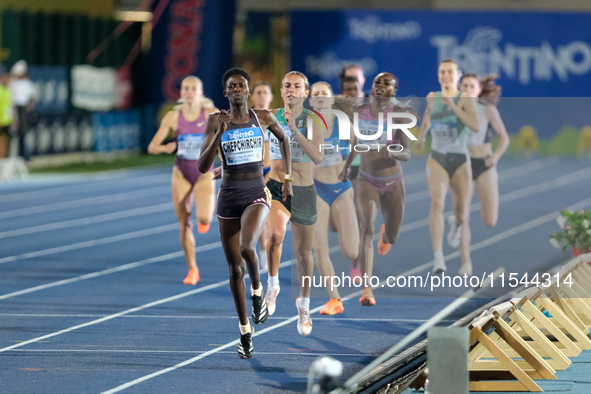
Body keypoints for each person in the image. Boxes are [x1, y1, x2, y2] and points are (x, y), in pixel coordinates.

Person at [198, 68, 292, 359]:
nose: (237, 89)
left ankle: (257, 292)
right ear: (225, 92)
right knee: (234, 269)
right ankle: (244, 332)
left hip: (255, 192)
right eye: (231, 86)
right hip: (227, 196)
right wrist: (219, 136)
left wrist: (287, 179)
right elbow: (202, 166)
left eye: (241, 85)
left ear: (248, 91)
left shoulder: (261, 117)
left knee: (248, 247)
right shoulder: (216, 121)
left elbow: (284, 141)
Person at [339, 72, 412, 306]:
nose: (379, 86)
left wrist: (394, 152)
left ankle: (387, 236)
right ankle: (367, 289)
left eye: (386, 84)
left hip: (392, 180)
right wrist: (346, 166)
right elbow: (356, 144)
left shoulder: (399, 115)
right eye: (376, 83)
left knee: (392, 235)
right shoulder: (360, 111)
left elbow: (407, 153)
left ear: (394, 91)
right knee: (366, 227)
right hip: (365, 178)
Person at [264, 71, 324, 336]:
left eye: (296, 86)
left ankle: (304, 303)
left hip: (303, 190)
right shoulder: (269, 117)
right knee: (275, 234)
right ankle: (273, 283)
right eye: (286, 85)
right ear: (281, 90)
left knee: (303, 255)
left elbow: (317, 157)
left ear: (305, 92)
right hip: (276, 186)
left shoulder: (312, 121)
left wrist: (294, 132)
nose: (291, 90)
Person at [148, 76, 217, 285]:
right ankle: (192, 269)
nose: (189, 92)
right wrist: (164, 148)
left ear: (200, 92)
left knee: (204, 218)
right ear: (181, 92)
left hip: (204, 172)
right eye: (185, 88)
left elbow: (226, 138)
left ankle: (204, 221)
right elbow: (152, 146)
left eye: (193, 88)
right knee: (184, 223)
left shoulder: (211, 115)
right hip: (181, 173)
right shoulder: (172, 117)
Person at [416, 60, 480, 276]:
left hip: (460, 159)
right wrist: (422, 135)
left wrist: (453, 106)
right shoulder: (432, 97)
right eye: (442, 72)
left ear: (457, 75)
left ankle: (466, 260)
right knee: (437, 203)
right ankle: (438, 258)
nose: (446, 75)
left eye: (450, 72)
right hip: (438, 158)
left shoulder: (465, 98)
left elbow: (475, 125)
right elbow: (427, 115)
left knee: (462, 214)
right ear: (438, 75)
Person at [309, 81, 359, 315]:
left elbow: (358, 146)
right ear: (311, 101)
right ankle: (334, 299)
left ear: (331, 100)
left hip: (341, 190)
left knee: (351, 251)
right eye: (315, 93)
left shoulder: (342, 121)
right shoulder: (305, 124)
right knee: (320, 249)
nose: (320, 97)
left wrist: (351, 167)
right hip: (317, 189)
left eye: (324, 94)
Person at [250, 81, 274, 270]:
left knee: (268, 215)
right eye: (258, 92)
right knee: (257, 215)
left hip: (272, 171)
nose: (261, 95)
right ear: (252, 96)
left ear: (271, 96)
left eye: (265, 92)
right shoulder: (245, 117)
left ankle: (267, 252)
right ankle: (261, 251)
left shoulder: (278, 117)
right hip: (252, 172)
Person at [9, 60, 36, 161]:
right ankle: (15, 156)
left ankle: (25, 156)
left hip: (23, 109)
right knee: (15, 133)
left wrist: (29, 107)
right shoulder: (13, 83)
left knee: (25, 133)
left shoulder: (28, 83)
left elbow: (33, 97)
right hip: (15, 108)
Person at [0, 66, 14, 158]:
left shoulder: (8, 91)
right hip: (1, 121)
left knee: (7, 143)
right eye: (5, 77)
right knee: (2, 143)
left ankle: (4, 164)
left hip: (8, 121)